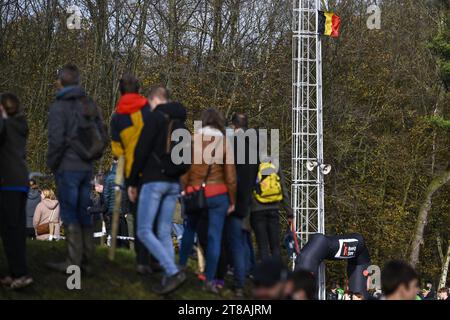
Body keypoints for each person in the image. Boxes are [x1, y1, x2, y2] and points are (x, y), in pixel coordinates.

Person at [46, 64, 108, 273]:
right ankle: (88, 259)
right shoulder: (88, 104)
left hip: (68, 165)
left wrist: (52, 163)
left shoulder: (59, 106)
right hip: (86, 166)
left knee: (70, 213)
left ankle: (73, 262)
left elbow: (56, 140)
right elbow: (102, 132)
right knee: (83, 210)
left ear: (60, 81)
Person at [128, 85, 188, 294]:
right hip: (173, 182)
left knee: (144, 230)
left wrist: (132, 181)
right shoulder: (180, 121)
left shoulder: (154, 118)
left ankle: (172, 271)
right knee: (164, 231)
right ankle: (168, 278)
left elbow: (141, 150)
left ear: (154, 100)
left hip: (153, 179)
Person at [179, 108, 237, 294]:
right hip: (218, 194)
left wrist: (184, 188)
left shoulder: (193, 139)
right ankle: (210, 279)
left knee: (189, 229)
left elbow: (185, 168)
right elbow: (230, 175)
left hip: (194, 191)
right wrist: (232, 199)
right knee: (214, 237)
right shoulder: (224, 142)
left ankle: (179, 268)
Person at [110, 75, 153, 274]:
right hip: (152, 167)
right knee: (153, 216)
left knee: (137, 215)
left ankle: (141, 260)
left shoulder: (117, 116)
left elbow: (117, 150)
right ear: (138, 89)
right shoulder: (148, 109)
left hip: (131, 170)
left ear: (120, 91)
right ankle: (153, 257)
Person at [220, 113, 259, 297]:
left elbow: (229, 171)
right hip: (247, 199)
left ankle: (237, 280)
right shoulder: (254, 146)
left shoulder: (233, 144)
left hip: (233, 198)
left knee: (233, 240)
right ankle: (243, 276)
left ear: (234, 127)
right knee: (242, 240)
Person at [0, 93, 33, 289]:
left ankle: (20, 272)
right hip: (21, 179)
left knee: (10, 229)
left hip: (9, 181)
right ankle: (16, 271)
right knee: (17, 228)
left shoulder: (7, 126)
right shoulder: (20, 125)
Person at [250, 156, 292, 262]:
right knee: (275, 246)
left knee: (263, 247)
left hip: (257, 210)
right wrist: (289, 212)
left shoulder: (249, 162)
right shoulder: (273, 162)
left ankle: (266, 276)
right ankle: (276, 275)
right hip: (274, 208)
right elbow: (283, 188)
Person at [104, 159, 130, 249]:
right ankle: (125, 254)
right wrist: (126, 209)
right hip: (122, 212)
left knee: (114, 237)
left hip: (112, 212)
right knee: (124, 236)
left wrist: (106, 208)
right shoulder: (124, 178)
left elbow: (106, 196)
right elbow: (126, 195)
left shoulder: (108, 177)